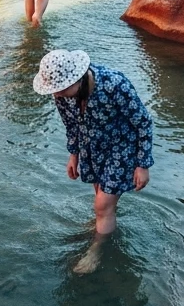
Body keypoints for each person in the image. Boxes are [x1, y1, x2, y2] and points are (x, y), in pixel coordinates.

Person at [33, 49, 153, 274]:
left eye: (61, 89)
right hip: (92, 149)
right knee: (101, 199)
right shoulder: (61, 95)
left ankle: (97, 250)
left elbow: (143, 122)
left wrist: (142, 164)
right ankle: (103, 223)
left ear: (78, 79)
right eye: (54, 90)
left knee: (102, 204)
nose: (57, 95)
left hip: (122, 147)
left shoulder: (114, 84)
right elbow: (72, 127)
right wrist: (73, 156)